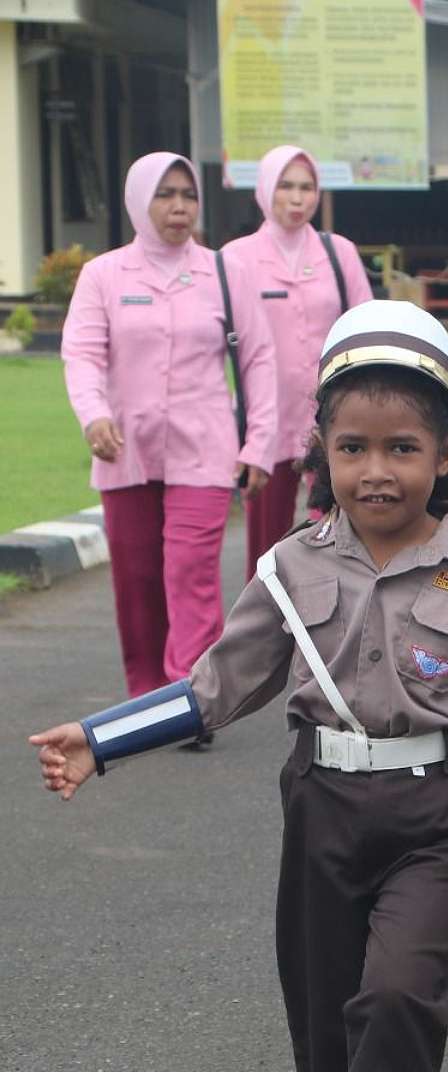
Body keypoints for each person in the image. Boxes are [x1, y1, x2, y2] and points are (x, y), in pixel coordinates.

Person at [30, 299, 448, 1072]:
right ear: (322, 448)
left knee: (397, 995)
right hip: (324, 811)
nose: (376, 471)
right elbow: (215, 688)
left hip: (442, 813)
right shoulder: (291, 567)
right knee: (323, 1027)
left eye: (402, 448)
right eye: (352, 448)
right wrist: (99, 741)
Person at [63, 152, 278, 704]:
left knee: (191, 574)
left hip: (204, 449)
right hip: (124, 449)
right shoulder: (104, 275)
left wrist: (259, 444)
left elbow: (258, 359)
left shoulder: (226, 273)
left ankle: (187, 696)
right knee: (136, 582)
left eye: (187, 195)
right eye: (165, 195)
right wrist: (94, 415)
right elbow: (82, 354)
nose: (179, 207)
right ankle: (144, 694)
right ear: (139, 200)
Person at [222, 145, 376, 571]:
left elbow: (364, 323)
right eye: (286, 186)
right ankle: (268, 625)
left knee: (333, 527)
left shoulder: (337, 251)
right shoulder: (236, 258)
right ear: (266, 190)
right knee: (265, 541)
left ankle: (327, 624)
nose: (297, 198)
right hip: (266, 419)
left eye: (306, 187)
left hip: (331, 414)